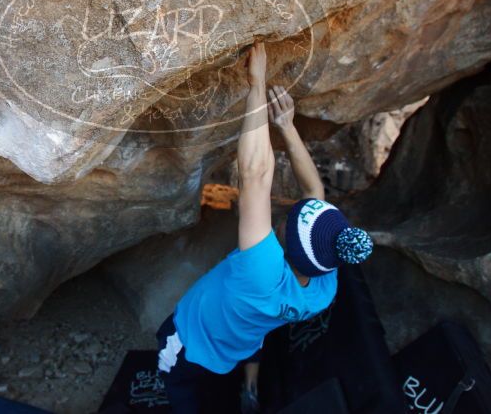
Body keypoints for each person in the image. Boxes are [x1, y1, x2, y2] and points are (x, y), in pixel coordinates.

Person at [155, 41, 374, 412]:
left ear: (285, 246)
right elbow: (314, 191)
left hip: (194, 344)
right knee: (248, 345)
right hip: (243, 340)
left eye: (290, 221)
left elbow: (254, 175)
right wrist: (286, 126)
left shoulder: (261, 271)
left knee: (180, 389)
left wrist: (255, 85)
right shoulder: (323, 285)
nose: (285, 215)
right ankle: (250, 389)